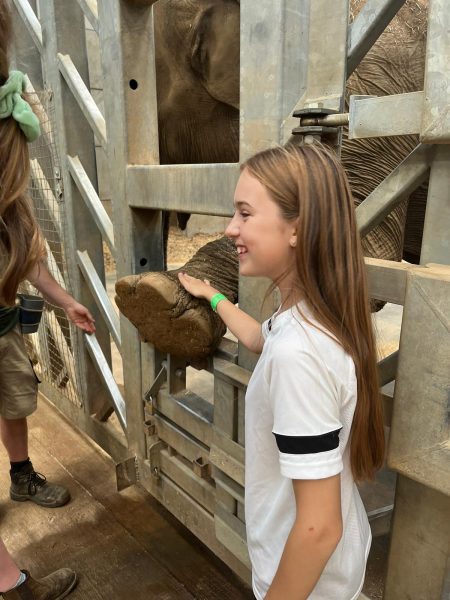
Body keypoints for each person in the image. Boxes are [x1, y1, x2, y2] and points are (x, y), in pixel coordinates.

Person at [178, 143, 385, 600]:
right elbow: (259, 340)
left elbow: (318, 528)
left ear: (296, 228)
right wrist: (213, 297)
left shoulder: (300, 356)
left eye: (245, 213)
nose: (231, 229)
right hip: (327, 577)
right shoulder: (312, 318)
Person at [0, 0, 93, 596]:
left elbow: (24, 245)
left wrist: (62, 299)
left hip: (3, 323)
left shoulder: (8, 204)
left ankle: (22, 476)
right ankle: (13, 585)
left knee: (16, 398)